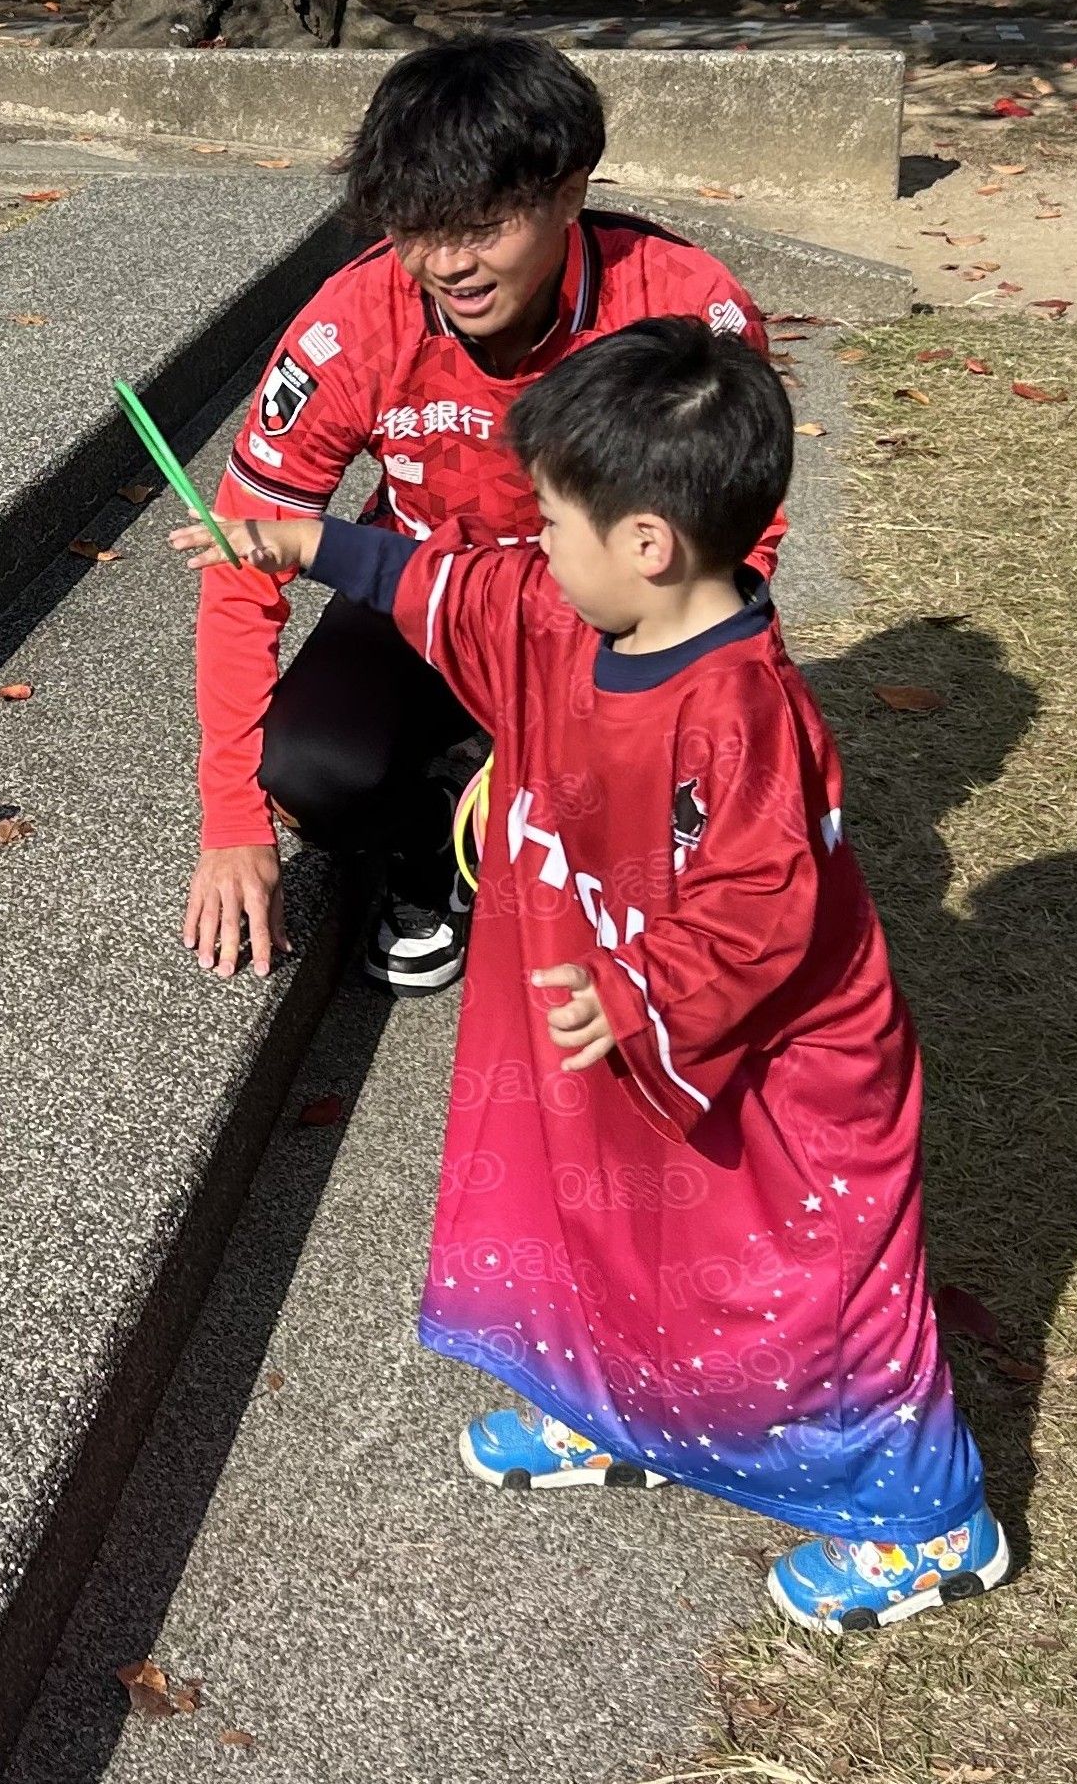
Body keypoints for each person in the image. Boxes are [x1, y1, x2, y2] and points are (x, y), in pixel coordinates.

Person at [172, 318, 1000, 1634]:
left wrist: (638, 992)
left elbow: (760, 906)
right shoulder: (564, 613)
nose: (534, 545)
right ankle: (616, 1407)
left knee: (800, 1283)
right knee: (600, 1228)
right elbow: (447, 582)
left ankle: (922, 1516)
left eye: (552, 521)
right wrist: (299, 544)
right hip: (614, 1028)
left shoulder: (739, 716)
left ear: (647, 543)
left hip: (766, 1076)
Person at [184, 33, 773, 992]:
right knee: (313, 771)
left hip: (612, 615)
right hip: (418, 587)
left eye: (484, 225)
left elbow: (741, 545)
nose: (448, 264)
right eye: (417, 228)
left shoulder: (681, 312)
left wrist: (650, 687)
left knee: (667, 798)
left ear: (570, 192)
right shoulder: (351, 323)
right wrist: (231, 820)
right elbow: (242, 560)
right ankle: (432, 844)